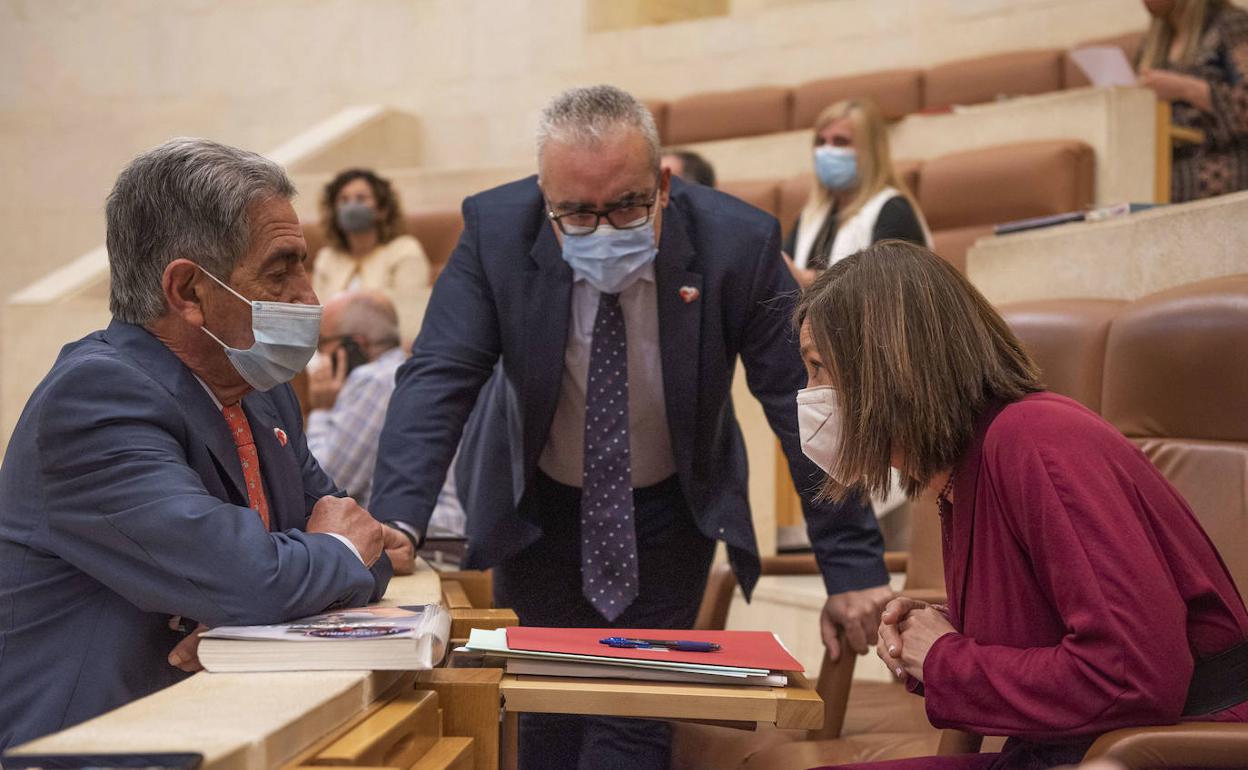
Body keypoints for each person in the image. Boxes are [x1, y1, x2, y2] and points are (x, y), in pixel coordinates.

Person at [370, 85, 890, 770]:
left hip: (670, 511)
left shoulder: (738, 241)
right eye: (576, 213)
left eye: (626, 205)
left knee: (635, 718)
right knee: (543, 719)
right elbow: (440, 377)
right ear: (544, 197)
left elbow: (800, 399)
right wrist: (394, 524)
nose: (604, 228)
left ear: (664, 186)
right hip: (540, 511)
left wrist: (851, 564)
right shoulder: (497, 231)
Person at [0, 138, 414, 750]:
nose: (311, 299)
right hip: (98, 747)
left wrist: (255, 600)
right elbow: (270, 573)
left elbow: (354, 533)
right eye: (282, 270)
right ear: (189, 291)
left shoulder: (260, 390)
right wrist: (272, 584)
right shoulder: (95, 397)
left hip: (223, 723)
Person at [793, 240, 1248, 769]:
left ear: (888, 370)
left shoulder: (1034, 440)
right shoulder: (966, 465)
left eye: (818, 368)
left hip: (1168, 752)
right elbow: (1057, 629)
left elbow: (1130, 675)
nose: (810, 394)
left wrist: (946, 658)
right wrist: (939, 633)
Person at [306, 290, 464, 535]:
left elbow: (323, 487)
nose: (319, 357)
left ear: (354, 345)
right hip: (435, 531)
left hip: (428, 540)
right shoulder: (401, 370)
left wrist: (322, 410)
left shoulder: (375, 380)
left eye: (323, 344)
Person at [782, 98, 929, 289]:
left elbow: (891, 287)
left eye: (840, 142)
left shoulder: (893, 209)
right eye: (821, 142)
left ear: (871, 151)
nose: (827, 151)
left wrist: (808, 279)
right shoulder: (810, 215)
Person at [1136, 0, 1248, 201]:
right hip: (1162, 167)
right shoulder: (1152, 43)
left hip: (1225, 163)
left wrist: (1185, 89)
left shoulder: (1232, 26)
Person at [312, 168, 428, 339]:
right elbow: (315, 317)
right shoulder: (327, 257)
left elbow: (409, 315)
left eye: (361, 198)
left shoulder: (405, 249)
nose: (351, 206)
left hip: (388, 348)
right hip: (331, 350)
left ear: (382, 209)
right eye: (343, 200)